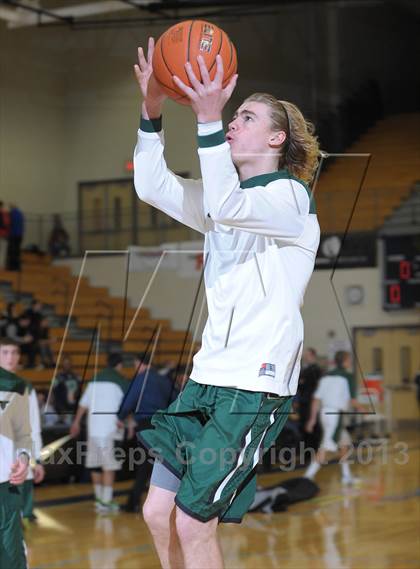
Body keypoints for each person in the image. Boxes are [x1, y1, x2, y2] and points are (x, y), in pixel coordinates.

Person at [133, 38, 320, 569]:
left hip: (252, 386)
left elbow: (227, 202)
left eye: (246, 116)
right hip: (206, 378)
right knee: (155, 511)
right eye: (232, 116)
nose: (233, 122)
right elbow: (152, 185)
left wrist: (209, 120)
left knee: (194, 522)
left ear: (277, 137)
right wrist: (152, 110)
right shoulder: (224, 200)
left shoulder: (290, 198)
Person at [117, 354, 181, 513]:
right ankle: (165, 504)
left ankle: (133, 503)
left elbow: (130, 399)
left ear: (138, 363)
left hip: (145, 424)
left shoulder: (141, 378)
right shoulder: (163, 379)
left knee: (144, 465)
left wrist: (121, 416)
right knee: (161, 465)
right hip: (162, 425)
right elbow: (175, 399)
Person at [70, 352, 129, 513]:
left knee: (95, 466)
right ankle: (106, 501)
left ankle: (98, 499)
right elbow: (128, 406)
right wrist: (129, 424)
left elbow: (83, 404)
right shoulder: (122, 382)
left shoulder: (94, 380)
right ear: (120, 365)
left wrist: (75, 422)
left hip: (93, 429)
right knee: (109, 466)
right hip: (111, 429)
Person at [304, 350, 366, 484]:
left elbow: (316, 399)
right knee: (326, 447)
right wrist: (362, 408)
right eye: (349, 359)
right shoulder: (348, 377)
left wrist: (312, 419)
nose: (350, 362)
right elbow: (352, 400)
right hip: (335, 416)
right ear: (344, 361)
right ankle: (307, 477)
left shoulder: (326, 376)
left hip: (324, 414)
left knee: (344, 445)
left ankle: (346, 476)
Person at [0, 338, 32, 568]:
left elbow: (23, 434)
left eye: (14, 352)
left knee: (12, 556)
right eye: (5, 352)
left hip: (5, 483)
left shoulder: (15, 386)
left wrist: (24, 460)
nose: (10, 357)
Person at [297, 347, 322, 450]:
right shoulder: (305, 369)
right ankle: (307, 450)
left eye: (306, 355)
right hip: (304, 402)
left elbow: (312, 386)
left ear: (312, 355)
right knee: (304, 426)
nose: (304, 357)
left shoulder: (315, 370)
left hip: (311, 402)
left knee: (312, 426)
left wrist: (302, 383)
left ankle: (312, 450)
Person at [6, 203, 25, 271]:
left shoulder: (11, 214)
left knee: (12, 251)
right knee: (17, 251)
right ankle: (17, 266)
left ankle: (11, 267)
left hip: (13, 234)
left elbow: (9, 224)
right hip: (19, 235)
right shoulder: (20, 214)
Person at [0, 201, 10, 269]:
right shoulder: (4, 214)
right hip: (3, 234)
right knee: (2, 251)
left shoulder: (4, 213)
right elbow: (6, 224)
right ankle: (1, 266)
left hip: (3, 234)